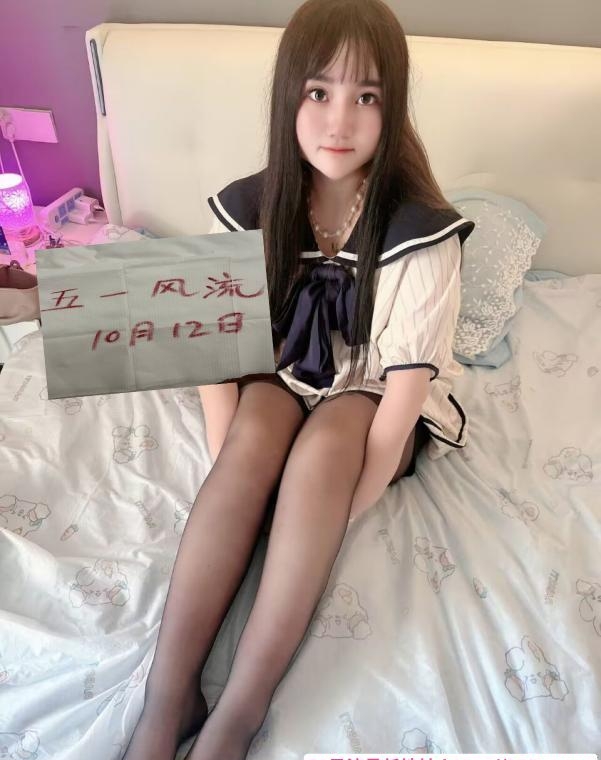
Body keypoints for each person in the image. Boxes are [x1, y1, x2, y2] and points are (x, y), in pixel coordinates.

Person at [123, 1, 475, 759]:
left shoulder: (422, 231)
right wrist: (240, 474)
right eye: (318, 91)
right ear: (289, 95)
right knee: (255, 429)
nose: (338, 120)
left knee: (330, 440)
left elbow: (398, 406)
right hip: (283, 375)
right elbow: (212, 355)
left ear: (393, 107)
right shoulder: (246, 207)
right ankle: (166, 702)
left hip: (374, 395)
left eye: (366, 96)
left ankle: (238, 715)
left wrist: (327, 508)